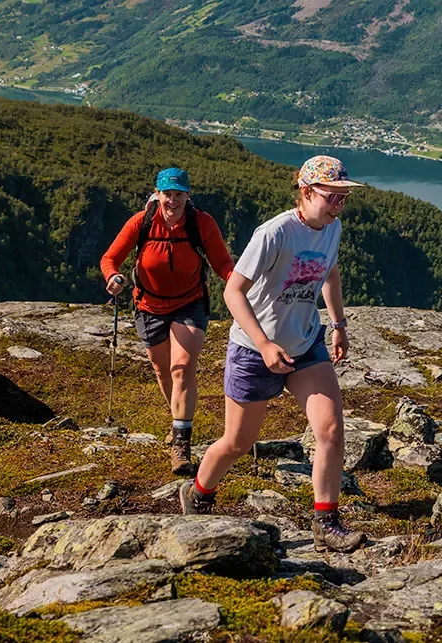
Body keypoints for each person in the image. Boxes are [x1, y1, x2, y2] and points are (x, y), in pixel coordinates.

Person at [179, 154, 367, 554]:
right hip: (253, 350)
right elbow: (233, 291)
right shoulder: (275, 233)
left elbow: (330, 273)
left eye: (344, 198)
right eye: (332, 196)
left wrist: (338, 325)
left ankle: (325, 523)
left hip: (305, 344)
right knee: (237, 443)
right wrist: (264, 344)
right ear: (307, 191)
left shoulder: (332, 229)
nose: (339, 204)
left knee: (331, 431)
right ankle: (198, 493)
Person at [101, 167, 237, 476]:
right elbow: (110, 258)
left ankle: (181, 443)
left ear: (188, 196)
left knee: (182, 367)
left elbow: (222, 263)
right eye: (167, 195)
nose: (172, 201)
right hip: (148, 304)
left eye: (178, 195)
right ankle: (177, 417)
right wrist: (113, 277)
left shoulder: (201, 223)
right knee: (163, 370)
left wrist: (239, 286)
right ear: (157, 194)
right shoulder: (142, 222)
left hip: (189, 304)